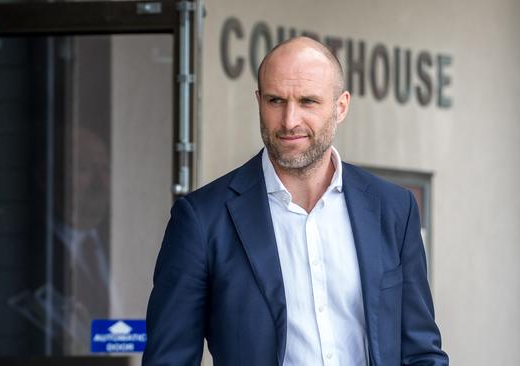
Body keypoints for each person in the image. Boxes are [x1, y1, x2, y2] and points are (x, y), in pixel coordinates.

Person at [142, 36, 448, 366]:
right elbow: (168, 359)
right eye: (276, 101)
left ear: (341, 106)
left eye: (307, 102)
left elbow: (420, 351)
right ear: (258, 101)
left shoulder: (393, 209)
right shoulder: (202, 220)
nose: (289, 121)